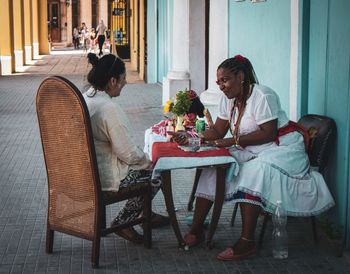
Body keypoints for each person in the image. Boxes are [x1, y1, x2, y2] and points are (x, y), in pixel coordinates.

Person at [173, 55, 335, 260]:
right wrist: (193, 136)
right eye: (218, 82)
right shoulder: (228, 99)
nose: (221, 86)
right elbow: (218, 131)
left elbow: (268, 133)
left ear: (241, 76)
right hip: (251, 147)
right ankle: (197, 229)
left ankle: (247, 242)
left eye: (225, 80)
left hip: (282, 149)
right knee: (214, 166)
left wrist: (232, 141)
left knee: (252, 171)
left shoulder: (263, 96)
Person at [83, 53, 169, 243]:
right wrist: (149, 162)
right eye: (123, 79)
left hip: (85, 173)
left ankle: (144, 213)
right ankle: (125, 221)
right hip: (104, 177)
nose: (126, 83)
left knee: (146, 167)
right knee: (158, 172)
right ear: (112, 80)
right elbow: (128, 153)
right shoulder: (108, 108)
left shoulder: (86, 97)